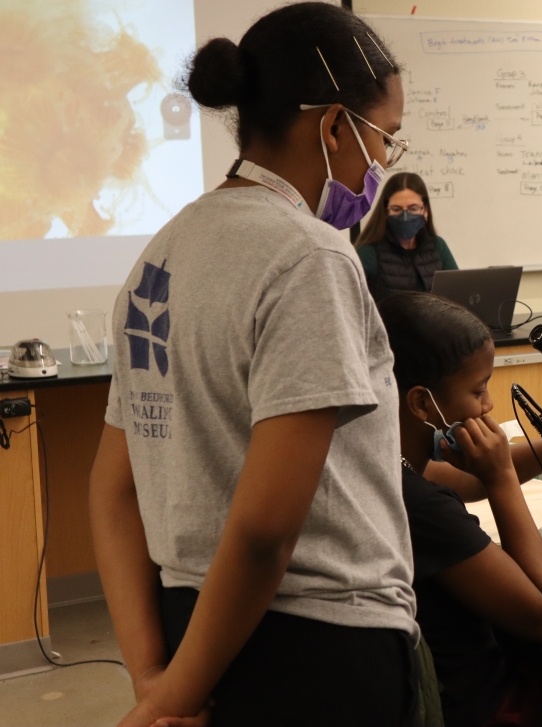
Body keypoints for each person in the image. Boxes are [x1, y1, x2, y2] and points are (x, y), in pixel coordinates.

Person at [88, 5, 418, 725]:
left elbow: (112, 491)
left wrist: (157, 677)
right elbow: (267, 528)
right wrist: (168, 699)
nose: (382, 168)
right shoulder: (308, 257)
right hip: (319, 648)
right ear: (333, 126)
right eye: (384, 140)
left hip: (190, 637)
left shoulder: (162, 253)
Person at [379, 292, 542, 726]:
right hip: (482, 708)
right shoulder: (419, 504)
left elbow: (468, 480)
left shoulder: (384, 468)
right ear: (422, 403)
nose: (488, 406)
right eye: (478, 390)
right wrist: (501, 479)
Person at [356, 172, 458, 298]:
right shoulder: (368, 253)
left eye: (413, 208)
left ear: (425, 210)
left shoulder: (437, 246)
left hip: (434, 317)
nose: (405, 216)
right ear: (386, 212)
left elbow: (458, 294)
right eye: (396, 209)